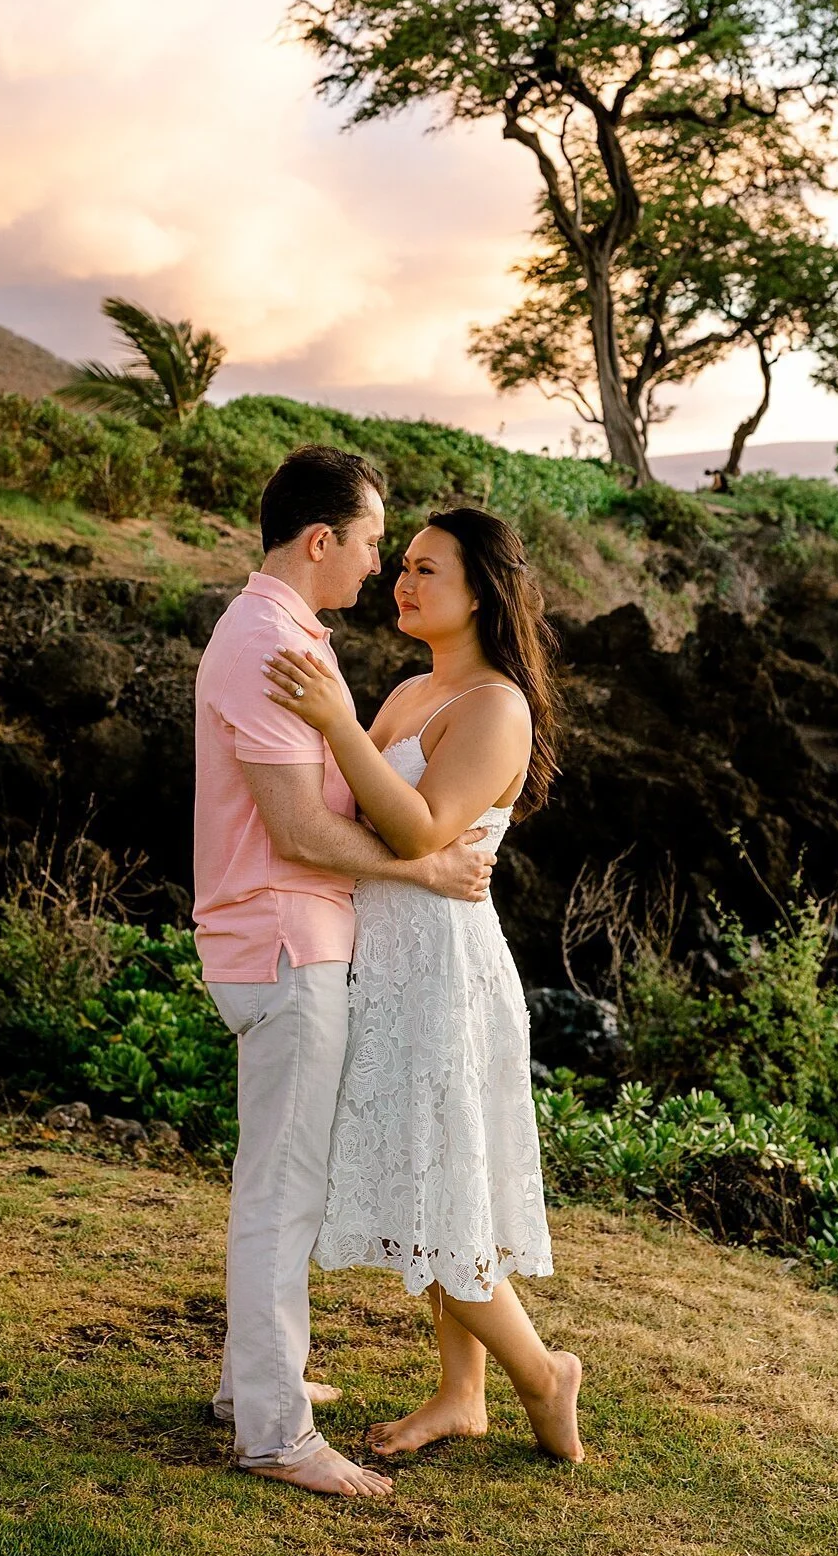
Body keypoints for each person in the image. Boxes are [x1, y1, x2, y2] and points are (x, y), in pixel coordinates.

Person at [194, 447, 497, 1500]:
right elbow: (296, 827)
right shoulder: (269, 640)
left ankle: (252, 1385)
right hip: (284, 940)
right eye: (373, 542)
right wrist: (429, 864)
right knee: (282, 1194)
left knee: (277, 1184)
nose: (378, 566)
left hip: (290, 937)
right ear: (321, 540)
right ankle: (275, 1432)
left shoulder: (284, 635)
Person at [262, 505, 583, 1464]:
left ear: (481, 591)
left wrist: (329, 719)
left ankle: (543, 1373)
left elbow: (417, 830)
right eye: (399, 565)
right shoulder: (408, 691)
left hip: (446, 970)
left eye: (426, 570)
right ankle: (461, 1392)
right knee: (433, 1181)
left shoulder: (496, 707)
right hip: (391, 957)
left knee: (446, 1188)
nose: (402, 582)